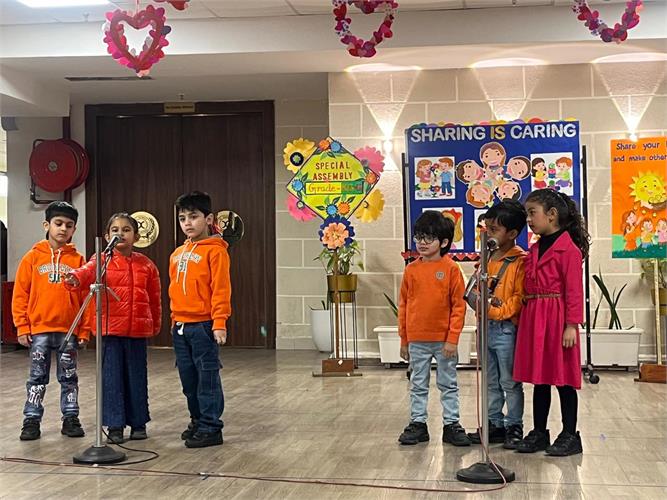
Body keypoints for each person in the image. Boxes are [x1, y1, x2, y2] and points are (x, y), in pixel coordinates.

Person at [65, 213, 161, 444]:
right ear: (107, 236)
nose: (120, 234)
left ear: (136, 236)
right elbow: (87, 271)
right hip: (110, 330)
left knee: (137, 377)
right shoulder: (102, 260)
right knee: (111, 379)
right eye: (115, 230)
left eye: (126, 230)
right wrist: (75, 277)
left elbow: (155, 298)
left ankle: (138, 423)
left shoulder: (146, 264)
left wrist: (155, 323)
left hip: (137, 330)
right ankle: (115, 425)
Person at [513, 188, 590, 456]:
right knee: (540, 378)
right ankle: (539, 432)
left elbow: (574, 291)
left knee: (564, 379)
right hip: (536, 316)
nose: (528, 220)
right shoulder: (534, 249)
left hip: (558, 319)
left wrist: (571, 325)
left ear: (552, 214)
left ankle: (570, 434)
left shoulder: (568, 249)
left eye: (532, 213)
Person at [12, 201, 90, 441]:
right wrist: (22, 326)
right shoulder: (32, 258)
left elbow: (86, 297)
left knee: (69, 378)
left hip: (69, 331)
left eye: (69, 225)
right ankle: (31, 420)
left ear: (74, 229)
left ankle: (71, 418)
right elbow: (20, 294)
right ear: (47, 225)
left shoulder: (78, 260)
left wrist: (84, 329)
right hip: (40, 331)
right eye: (58, 223)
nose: (63, 229)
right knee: (37, 378)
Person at [397, 210, 470, 447]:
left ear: (444, 242)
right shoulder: (411, 270)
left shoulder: (451, 269)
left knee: (448, 384)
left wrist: (452, 339)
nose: (422, 243)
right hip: (417, 340)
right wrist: (404, 340)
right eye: (419, 237)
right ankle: (418, 424)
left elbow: (458, 307)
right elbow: (404, 305)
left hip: (444, 342)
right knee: (418, 384)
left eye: (429, 238)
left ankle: (451, 424)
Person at [170, 191, 231, 448]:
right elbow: (174, 290)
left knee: (207, 379)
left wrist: (219, 323)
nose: (187, 223)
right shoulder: (176, 254)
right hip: (181, 326)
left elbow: (220, 289)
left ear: (208, 219)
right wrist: (174, 320)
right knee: (189, 380)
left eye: (193, 217)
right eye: (182, 218)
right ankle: (196, 420)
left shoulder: (216, 252)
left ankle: (211, 427)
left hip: (204, 326)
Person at [465, 200, 526, 450]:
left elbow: (519, 298)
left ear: (511, 233)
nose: (489, 234)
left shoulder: (520, 261)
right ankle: (494, 423)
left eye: (494, 229)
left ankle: (514, 425)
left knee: (509, 381)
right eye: (487, 228)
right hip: (485, 328)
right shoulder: (486, 258)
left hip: (505, 329)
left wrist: (494, 311)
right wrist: (475, 299)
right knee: (489, 380)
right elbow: (475, 288)